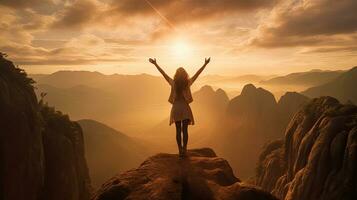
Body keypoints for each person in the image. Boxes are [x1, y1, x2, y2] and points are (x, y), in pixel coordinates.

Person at [149, 57, 211, 157]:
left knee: (178, 130)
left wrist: (155, 64)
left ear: (176, 75)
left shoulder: (173, 83)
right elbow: (197, 74)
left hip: (176, 109)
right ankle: (185, 150)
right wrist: (205, 64)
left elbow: (163, 74)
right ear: (185, 74)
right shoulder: (188, 83)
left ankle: (180, 151)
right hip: (185, 108)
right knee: (185, 130)